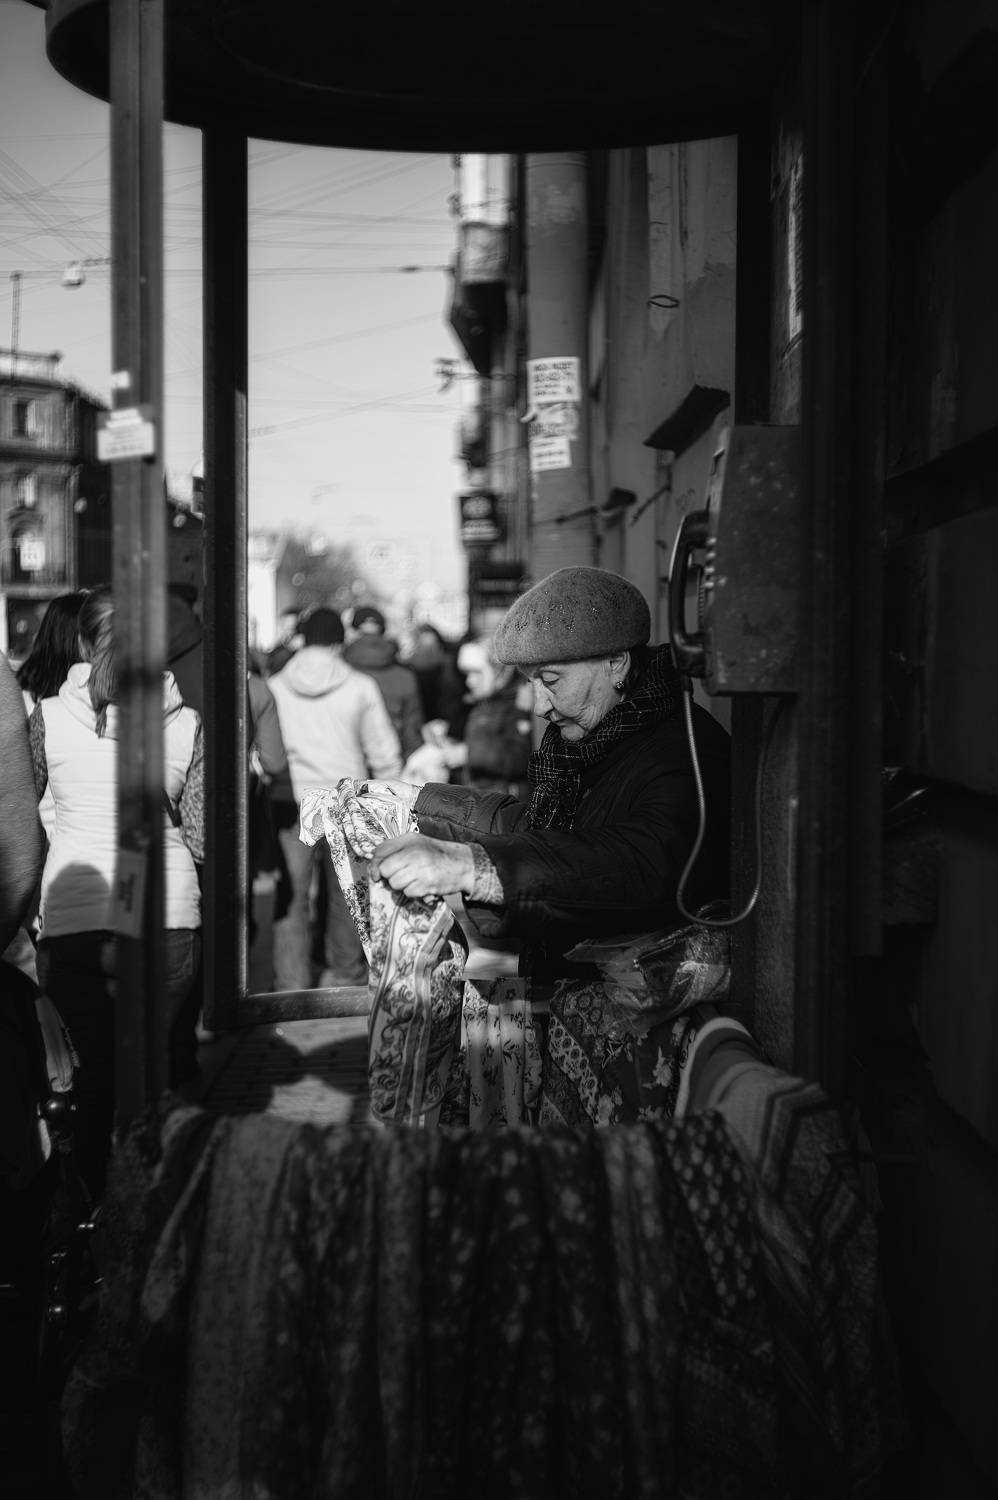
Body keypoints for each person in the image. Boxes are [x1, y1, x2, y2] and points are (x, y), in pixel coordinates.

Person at [366, 566, 734, 1126]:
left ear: (617, 665)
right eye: (531, 681)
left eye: (552, 680)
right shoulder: (586, 736)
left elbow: (637, 860)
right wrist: (426, 806)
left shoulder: (681, 751)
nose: (538, 704)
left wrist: (475, 866)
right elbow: (548, 834)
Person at [27, 588, 204, 1200]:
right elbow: (204, 837)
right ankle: (161, 1206)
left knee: (92, 1079)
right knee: (155, 1072)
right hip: (165, 909)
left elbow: (26, 819)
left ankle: (98, 1216)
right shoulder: (185, 722)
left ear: (82, 644)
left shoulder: (46, 717)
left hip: (78, 912)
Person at [267, 606, 403, 989]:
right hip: (346, 801)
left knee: (292, 896)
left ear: (304, 639)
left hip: (293, 802)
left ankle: (291, 983)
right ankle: (343, 975)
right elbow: (382, 749)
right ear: (339, 642)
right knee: (348, 891)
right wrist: (389, 797)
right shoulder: (359, 686)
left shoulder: (277, 684)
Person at [448, 632, 533, 795]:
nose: (469, 681)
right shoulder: (483, 705)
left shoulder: (519, 704)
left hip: (506, 802)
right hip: (484, 799)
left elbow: (521, 759)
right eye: (467, 674)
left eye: (477, 673)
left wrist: (468, 754)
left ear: (498, 672)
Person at [343, 604, 424, 761]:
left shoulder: (340, 671)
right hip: (391, 760)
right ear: (383, 631)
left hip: (348, 759)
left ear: (353, 631)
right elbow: (412, 729)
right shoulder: (404, 675)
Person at [404, 621, 468, 739]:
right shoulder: (408, 669)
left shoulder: (450, 665)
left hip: (446, 724)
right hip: (427, 725)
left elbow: (455, 698)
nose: (428, 648)